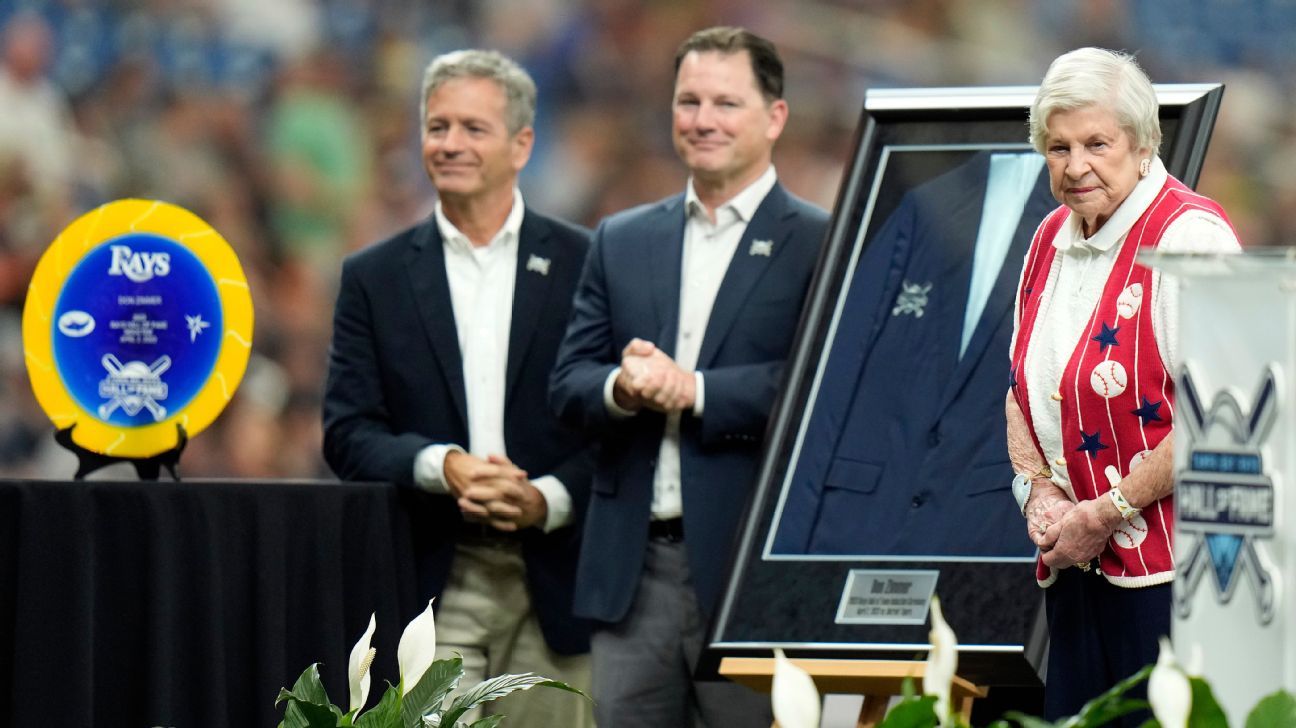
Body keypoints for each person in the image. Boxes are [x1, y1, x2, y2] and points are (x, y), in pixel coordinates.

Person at [550, 26, 829, 728]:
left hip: (751, 576)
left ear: (775, 117)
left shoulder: (821, 242)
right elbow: (568, 383)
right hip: (631, 573)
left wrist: (695, 391)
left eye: (726, 103)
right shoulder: (622, 237)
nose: (703, 120)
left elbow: (822, 391)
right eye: (689, 101)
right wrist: (623, 385)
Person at [322, 49, 593, 727]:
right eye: (437, 126)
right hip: (436, 579)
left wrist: (545, 499)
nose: (450, 144)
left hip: (561, 580)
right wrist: (439, 464)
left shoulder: (588, 264)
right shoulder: (373, 277)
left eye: (474, 128)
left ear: (522, 143)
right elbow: (347, 431)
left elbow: (617, 433)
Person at [1006, 47, 1240, 722]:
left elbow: (1220, 419)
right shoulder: (1049, 236)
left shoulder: (1191, 237)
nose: (1075, 166)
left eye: (1096, 143)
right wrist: (1038, 493)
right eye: (1057, 148)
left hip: (1174, 579)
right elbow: (1020, 385)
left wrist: (1103, 514)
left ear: (1143, 145)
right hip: (1076, 567)